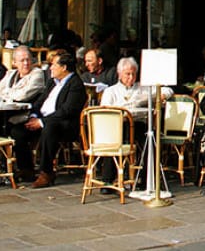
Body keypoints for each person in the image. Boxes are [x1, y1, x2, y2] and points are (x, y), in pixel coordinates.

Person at [10, 51, 87, 186]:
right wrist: (34, 116)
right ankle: (26, 168)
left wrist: (42, 122)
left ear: (64, 68)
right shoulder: (52, 82)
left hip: (63, 124)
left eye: (53, 65)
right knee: (18, 131)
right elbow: (40, 101)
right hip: (44, 118)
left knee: (49, 129)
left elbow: (67, 110)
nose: (50, 68)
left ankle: (46, 172)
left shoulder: (75, 84)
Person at [99, 57, 166, 194]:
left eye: (133, 74)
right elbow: (104, 111)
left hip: (137, 124)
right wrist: (126, 106)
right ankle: (108, 180)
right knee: (112, 140)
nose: (131, 77)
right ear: (119, 74)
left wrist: (153, 97)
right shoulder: (111, 91)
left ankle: (145, 178)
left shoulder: (142, 88)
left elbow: (167, 90)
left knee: (150, 139)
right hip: (116, 126)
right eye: (127, 74)